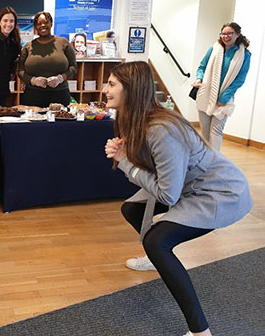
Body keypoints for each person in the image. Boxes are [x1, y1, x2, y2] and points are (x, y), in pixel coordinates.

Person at [103, 61, 252, 336]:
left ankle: (200, 331)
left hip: (221, 192)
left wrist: (125, 163)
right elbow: (155, 170)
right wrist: (128, 155)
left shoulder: (161, 128)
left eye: (112, 84)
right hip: (189, 185)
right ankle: (155, 258)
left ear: (131, 90)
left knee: (157, 240)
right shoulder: (136, 119)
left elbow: (167, 193)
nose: (105, 89)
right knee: (132, 210)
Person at [193, 22, 251, 151]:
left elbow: (240, 79)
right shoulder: (214, 49)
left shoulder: (244, 55)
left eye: (230, 33)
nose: (226, 36)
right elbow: (202, 66)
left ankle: (215, 162)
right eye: (223, 33)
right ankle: (206, 160)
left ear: (237, 34)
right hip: (205, 95)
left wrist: (223, 98)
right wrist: (199, 78)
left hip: (224, 100)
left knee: (216, 132)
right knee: (205, 132)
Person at [18, 11, 77, 108]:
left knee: (60, 122)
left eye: (46, 22)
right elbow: (20, 71)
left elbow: (73, 67)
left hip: (59, 95)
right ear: (35, 27)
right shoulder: (28, 46)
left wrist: (60, 78)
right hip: (33, 96)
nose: (42, 25)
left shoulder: (63, 42)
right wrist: (33, 80)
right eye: (39, 23)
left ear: (51, 24)